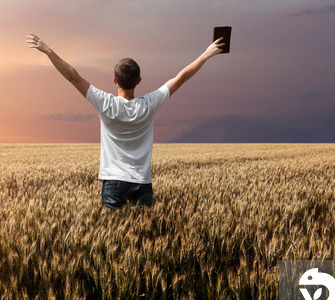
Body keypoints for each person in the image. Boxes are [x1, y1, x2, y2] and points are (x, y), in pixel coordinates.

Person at [26, 33, 225, 210]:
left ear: (115, 81)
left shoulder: (105, 103)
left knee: (113, 236)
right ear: (139, 80)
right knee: (143, 240)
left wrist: (48, 50)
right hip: (142, 181)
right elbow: (181, 78)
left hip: (113, 182)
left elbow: (73, 76)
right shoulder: (149, 104)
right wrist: (206, 54)